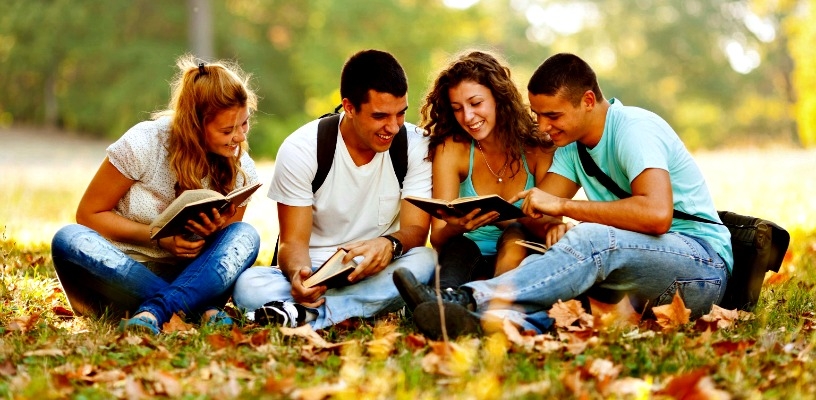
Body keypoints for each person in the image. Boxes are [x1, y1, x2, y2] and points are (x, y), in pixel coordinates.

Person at [394, 53, 733, 338]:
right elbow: (533, 209)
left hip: (700, 267)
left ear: (587, 101)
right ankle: (488, 325)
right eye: (539, 115)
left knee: (592, 238)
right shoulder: (570, 150)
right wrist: (547, 223)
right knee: (569, 274)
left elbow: (657, 215)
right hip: (637, 271)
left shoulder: (634, 129)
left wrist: (563, 208)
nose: (542, 127)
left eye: (553, 116)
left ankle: (464, 299)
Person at [51, 55, 261, 335]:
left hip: (190, 276)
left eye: (244, 124)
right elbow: (89, 215)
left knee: (245, 235)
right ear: (196, 124)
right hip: (118, 273)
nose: (239, 137)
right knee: (68, 239)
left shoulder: (240, 165)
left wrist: (210, 233)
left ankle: (155, 311)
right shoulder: (145, 143)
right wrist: (157, 235)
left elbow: (220, 253)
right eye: (227, 130)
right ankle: (196, 310)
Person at [231, 49, 436, 329]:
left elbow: (415, 232)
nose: (393, 126)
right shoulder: (302, 148)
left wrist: (390, 244)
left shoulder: (415, 145)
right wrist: (299, 277)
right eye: (380, 116)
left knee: (425, 260)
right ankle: (349, 306)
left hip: (378, 269)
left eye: (401, 113)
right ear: (349, 107)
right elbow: (292, 244)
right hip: (316, 271)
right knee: (248, 285)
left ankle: (304, 315)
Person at [393, 50, 558, 306]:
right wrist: (458, 226)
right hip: (467, 259)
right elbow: (437, 238)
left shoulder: (539, 148)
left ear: (499, 98)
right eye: (457, 109)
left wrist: (505, 218)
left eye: (476, 103)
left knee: (514, 233)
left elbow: (551, 223)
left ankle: (487, 308)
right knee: (459, 245)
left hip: (522, 259)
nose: (468, 117)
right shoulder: (452, 148)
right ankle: (444, 303)